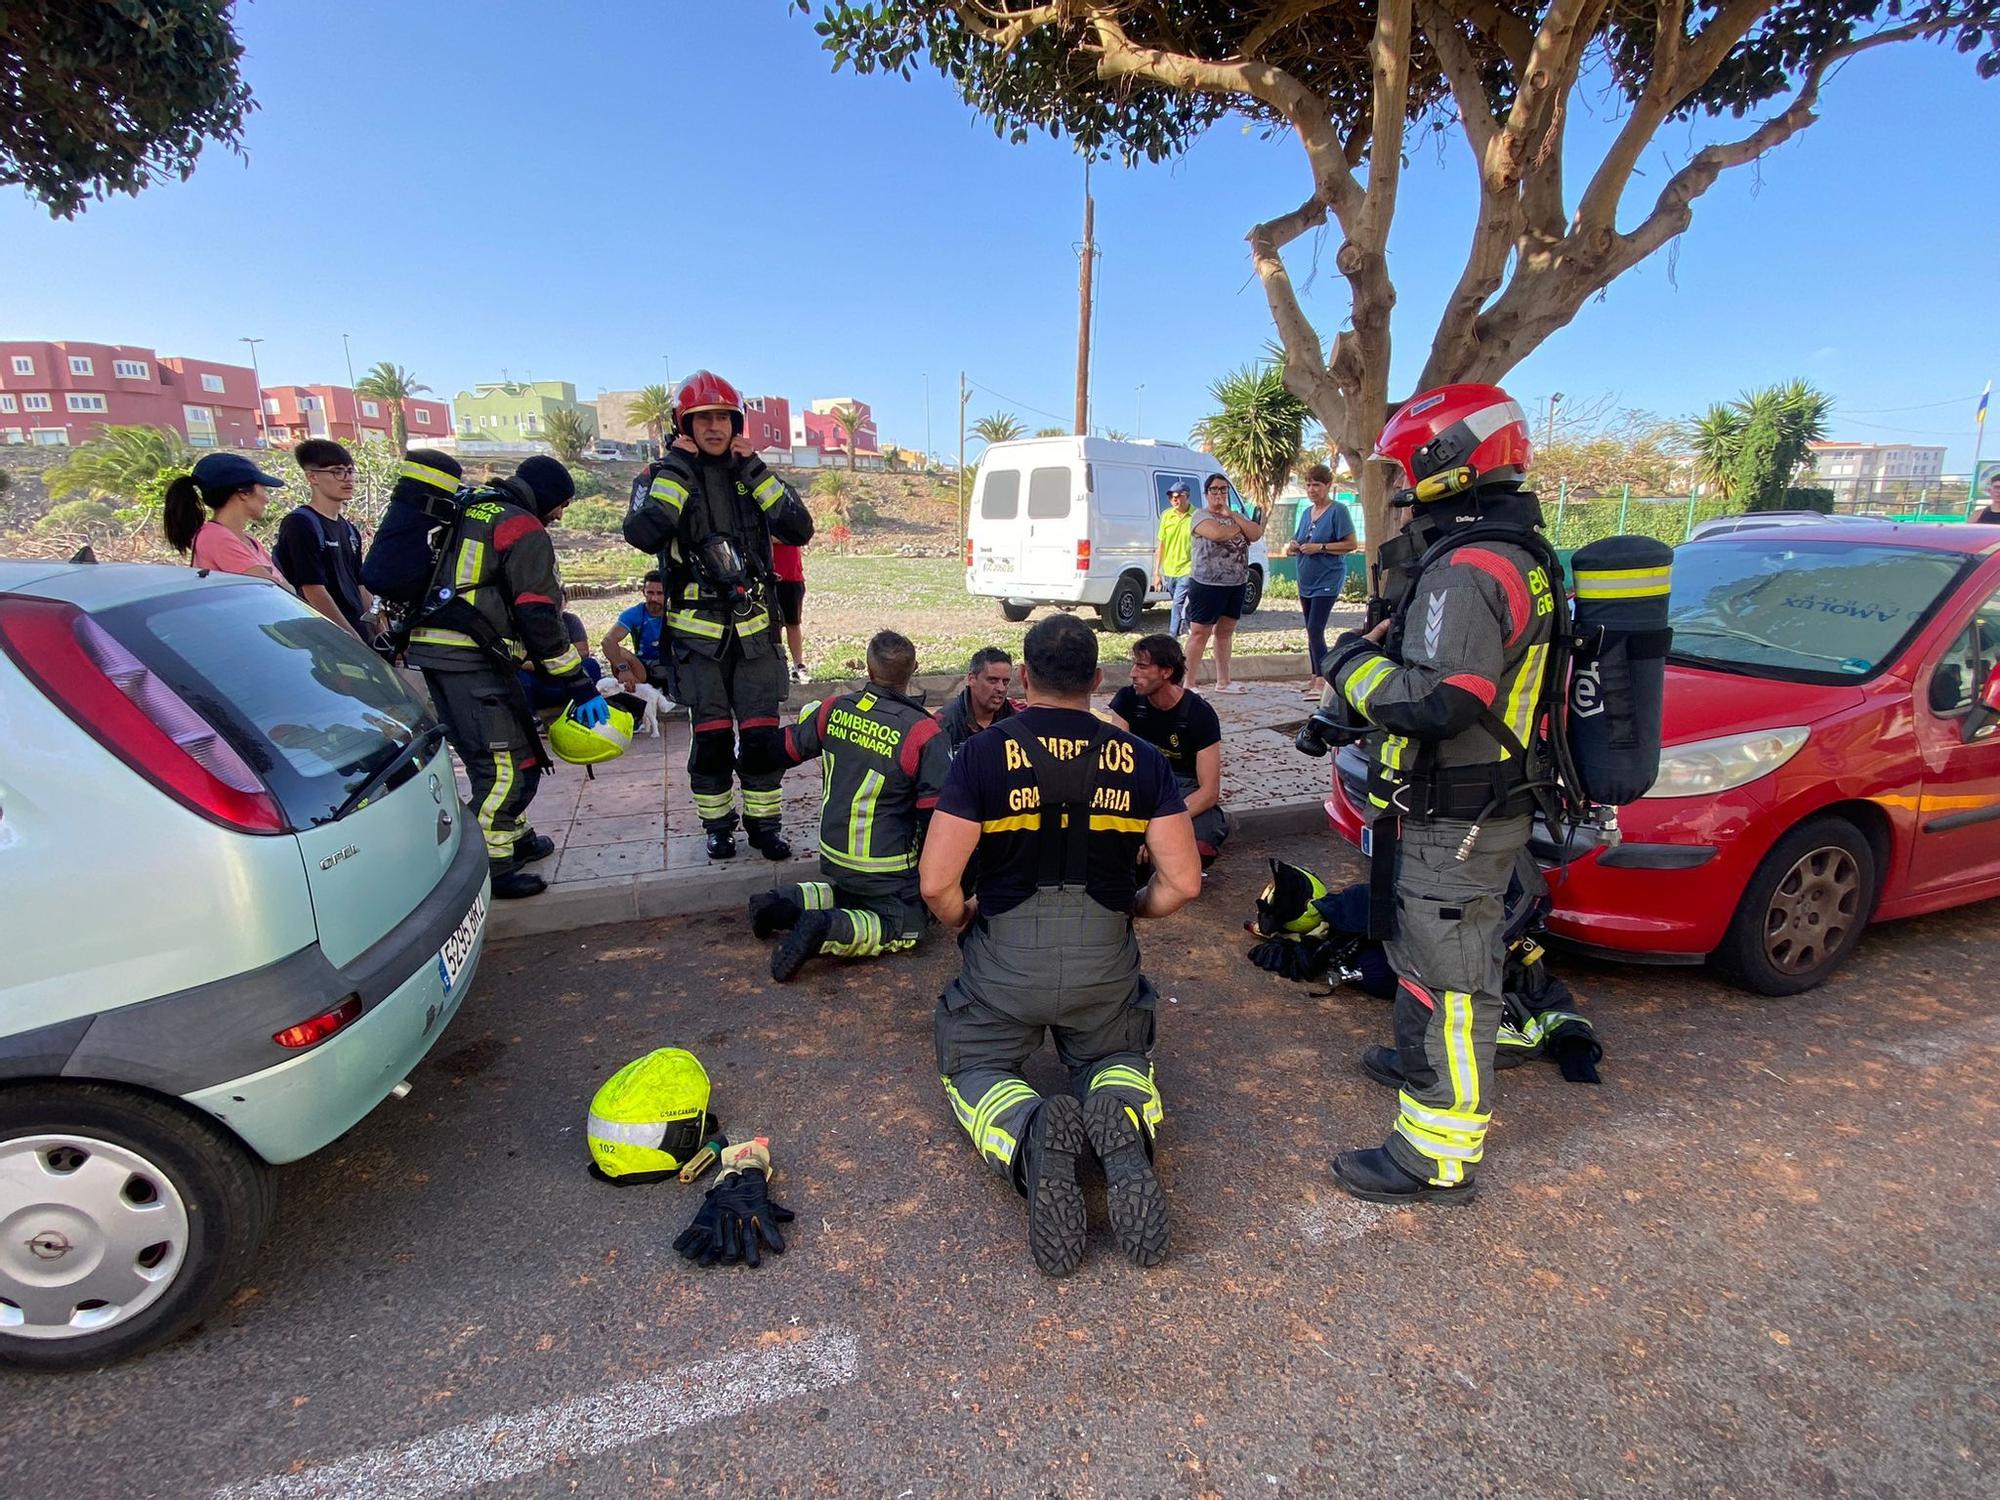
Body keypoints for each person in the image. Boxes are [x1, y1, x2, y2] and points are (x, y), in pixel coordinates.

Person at [1314, 382, 1558, 1206]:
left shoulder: (1466, 569)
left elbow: (1439, 700)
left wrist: (1348, 665)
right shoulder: (1514, 551)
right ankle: (1417, 1063)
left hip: (1459, 813)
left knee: (1448, 978)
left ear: (1449, 460)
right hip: (1477, 806)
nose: (1404, 486)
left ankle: (1437, 1154)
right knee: (1445, 958)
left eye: (1409, 467)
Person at [918, 613, 1202, 1276]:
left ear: (1023, 677)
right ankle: (1121, 1117)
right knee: (1116, 1048)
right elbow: (1183, 882)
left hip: (1004, 960)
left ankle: (1026, 1133)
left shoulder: (983, 755)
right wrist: (1134, 906)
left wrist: (963, 918)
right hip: (1104, 956)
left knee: (977, 1062)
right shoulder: (1142, 759)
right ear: (1097, 680)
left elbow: (936, 883)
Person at [624, 370, 815, 861]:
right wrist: (679, 472)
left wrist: (754, 471)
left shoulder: (753, 475)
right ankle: (717, 826)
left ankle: (764, 825)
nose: (714, 427)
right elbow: (643, 534)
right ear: (682, 424)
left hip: (754, 637)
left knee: (759, 738)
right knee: (709, 743)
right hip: (697, 641)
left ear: (736, 422)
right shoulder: (656, 478)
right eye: (701, 418)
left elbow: (798, 528)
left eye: (722, 418)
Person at [403, 453, 611, 900]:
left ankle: (514, 837)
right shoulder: (523, 526)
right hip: (472, 659)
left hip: (447, 654)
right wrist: (578, 683)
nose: (559, 515)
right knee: (506, 766)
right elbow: (538, 615)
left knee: (503, 755)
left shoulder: (473, 507)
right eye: (563, 505)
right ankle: (493, 866)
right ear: (549, 497)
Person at [749, 629, 950, 982]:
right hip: (885, 866)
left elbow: (785, 749)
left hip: (833, 854)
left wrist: (743, 750)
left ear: (869, 670)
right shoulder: (923, 732)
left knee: (849, 895)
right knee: (903, 926)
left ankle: (780, 901)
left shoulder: (834, 709)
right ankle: (827, 929)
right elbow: (935, 816)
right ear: (914, 668)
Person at [1106, 634, 1228, 867]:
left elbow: (1209, 791)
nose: (1133, 673)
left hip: (1183, 789)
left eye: (1142, 666)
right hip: (1139, 786)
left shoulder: (1200, 714)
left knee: (1201, 840)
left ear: (1166, 672)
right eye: (1134, 665)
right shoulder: (1127, 700)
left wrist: (1159, 822)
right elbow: (1117, 769)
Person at [274, 439, 377, 643]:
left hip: (359, 634)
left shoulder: (349, 529)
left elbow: (360, 585)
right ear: (312, 477)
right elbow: (312, 590)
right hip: (326, 641)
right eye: (337, 471)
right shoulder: (300, 524)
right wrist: (351, 638)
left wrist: (378, 629)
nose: (347, 479)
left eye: (350, 471)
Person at [162, 452, 296, 592]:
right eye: (263, 488)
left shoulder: (250, 542)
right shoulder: (215, 537)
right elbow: (275, 590)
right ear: (243, 493)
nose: (266, 499)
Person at [1184, 473, 1262, 693]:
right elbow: (1218, 534)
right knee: (1200, 632)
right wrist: (1240, 525)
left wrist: (1233, 516)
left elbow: (1256, 533)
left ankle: (1223, 681)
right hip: (1207, 583)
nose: (1219, 493)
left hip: (1235, 582)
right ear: (1207, 493)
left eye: (1223, 489)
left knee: (1225, 632)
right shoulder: (1200, 515)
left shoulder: (1234, 515)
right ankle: (1188, 683)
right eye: (1214, 490)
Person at [1287, 463, 1358, 692]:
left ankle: (1325, 677)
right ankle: (1315, 674)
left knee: (1316, 627)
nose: (1311, 489)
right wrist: (1294, 547)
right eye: (1308, 484)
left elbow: (1350, 544)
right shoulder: (1307, 513)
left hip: (1327, 579)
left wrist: (1321, 547)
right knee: (1310, 628)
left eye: (1316, 485)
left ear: (1327, 486)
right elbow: (1300, 538)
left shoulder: (1338, 511)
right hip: (1305, 578)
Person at [935, 645, 1023, 752]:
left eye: (1005, 682)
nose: (1001, 688)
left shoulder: (1018, 723)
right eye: (993, 680)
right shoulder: (944, 725)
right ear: (972, 679)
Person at [602, 571, 670, 691]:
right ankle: (636, 688)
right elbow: (607, 641)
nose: (654, 598)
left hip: (673, 666)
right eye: (650, 593)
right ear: (643, 592)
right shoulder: (634, 614)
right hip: (643, 669)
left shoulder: (676, 613)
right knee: (620, 652)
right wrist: (624, 668)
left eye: (660, 593)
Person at [1153, 480, 1195, 636]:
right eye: (1171, 497)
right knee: (1180, 603)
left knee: (1177, 604)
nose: (1174, 500)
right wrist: (1156, 572)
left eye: (1177, 496)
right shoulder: (1166, 516)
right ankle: (1188, 624)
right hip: (1169, 569)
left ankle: (1172, 637)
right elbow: (1161, 544)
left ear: (1187, 496)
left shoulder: (1196, 516)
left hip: (1188, 569)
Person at [772, 539, 810, 684]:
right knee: (773, 626)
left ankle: (798, 666)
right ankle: (777, 667)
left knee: (793, 623)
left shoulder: (790, 517)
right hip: (770, 577)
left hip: (792, 576)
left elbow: (801, 534)